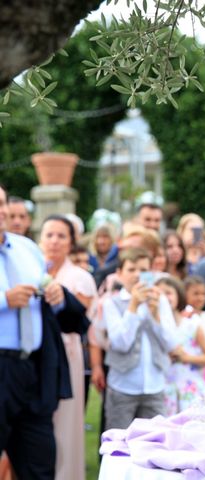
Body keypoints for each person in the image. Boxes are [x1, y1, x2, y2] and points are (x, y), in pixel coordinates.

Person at [0, 184, 89, 480]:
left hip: (31, 369)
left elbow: (44, 292)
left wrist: (56, 295)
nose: (1, 211)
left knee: (39, 464)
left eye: (3, 203)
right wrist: (4, 301)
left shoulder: (26, 248)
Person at [40, 215, 98, 480]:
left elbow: (82, 319)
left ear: (71, 242)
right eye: (49, 234)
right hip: (33, 354)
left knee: (64, 422)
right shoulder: (32, 269)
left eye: (61, 236)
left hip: (66, 351)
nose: (54, 241)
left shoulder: (80, 277)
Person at [102, 248, 179, 430]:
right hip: (123, 386)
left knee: (154, 439)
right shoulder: (111, 303)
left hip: (155, 385)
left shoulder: (159, 301)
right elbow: (121, 343)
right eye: (131, 269)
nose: (137, 275)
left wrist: (156, 317)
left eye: (143, 270)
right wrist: (133, 307)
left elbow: (171, 343)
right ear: (119, 274)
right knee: (118, 440)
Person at [155, 277, 205, 415]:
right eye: (159, 293)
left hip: (190, 390)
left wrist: (186, 357)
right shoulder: (154, 327)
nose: (164, 298)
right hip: (164, 390)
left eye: (168, 293)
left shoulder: (191, 325)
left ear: (179, 295)